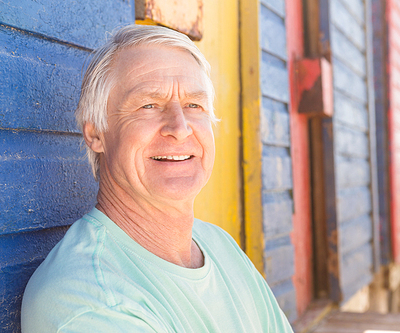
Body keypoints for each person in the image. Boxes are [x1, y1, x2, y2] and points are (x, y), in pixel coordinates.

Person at [21, 25, 293, 332]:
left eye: (194, 105)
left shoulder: (218, 245)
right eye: (148, 105)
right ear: (96, 134)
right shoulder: (89, 300)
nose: (179, 127)